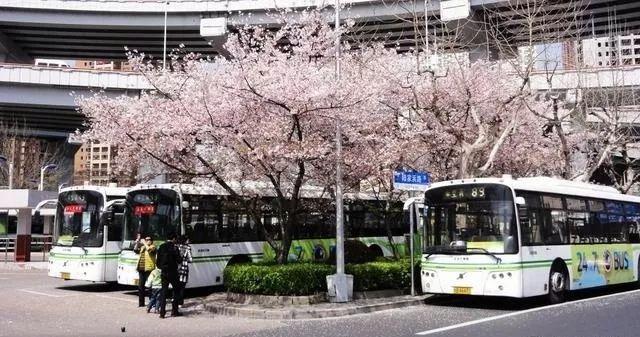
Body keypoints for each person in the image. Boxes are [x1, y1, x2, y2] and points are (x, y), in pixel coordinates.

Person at [156, 232, 182, 318]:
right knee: (176, 290)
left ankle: (162, 313)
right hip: (173, 272)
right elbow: (179, 260)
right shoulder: (175, 248)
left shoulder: (161, 247)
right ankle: (174, 311)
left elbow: (158, 262)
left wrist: (162, 268)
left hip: (164, 272)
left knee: (164, 291)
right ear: (174, 239)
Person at [133, 233, 156, 307]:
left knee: (150, 287)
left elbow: (150, 250)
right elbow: (135, 250)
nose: (147, 241)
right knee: (141, 287)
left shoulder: (153, 247)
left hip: (149, 269)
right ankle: (141, 303)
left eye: (148, 240)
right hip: (141, 269)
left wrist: (144, 243)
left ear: (151, 241)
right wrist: (137, 243)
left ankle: (152, 302)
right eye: (146, 240)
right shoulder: (143, 247)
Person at [176, 235, 193, 306]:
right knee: (182, 287)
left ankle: (175, 301)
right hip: (184, 268)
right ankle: (180, 303)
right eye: (188, 240)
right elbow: (190, 259)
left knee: (177, 286)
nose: (189, 241)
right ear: (185, 240)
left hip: (176, 268)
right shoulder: (188, 248)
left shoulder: (177, 247)